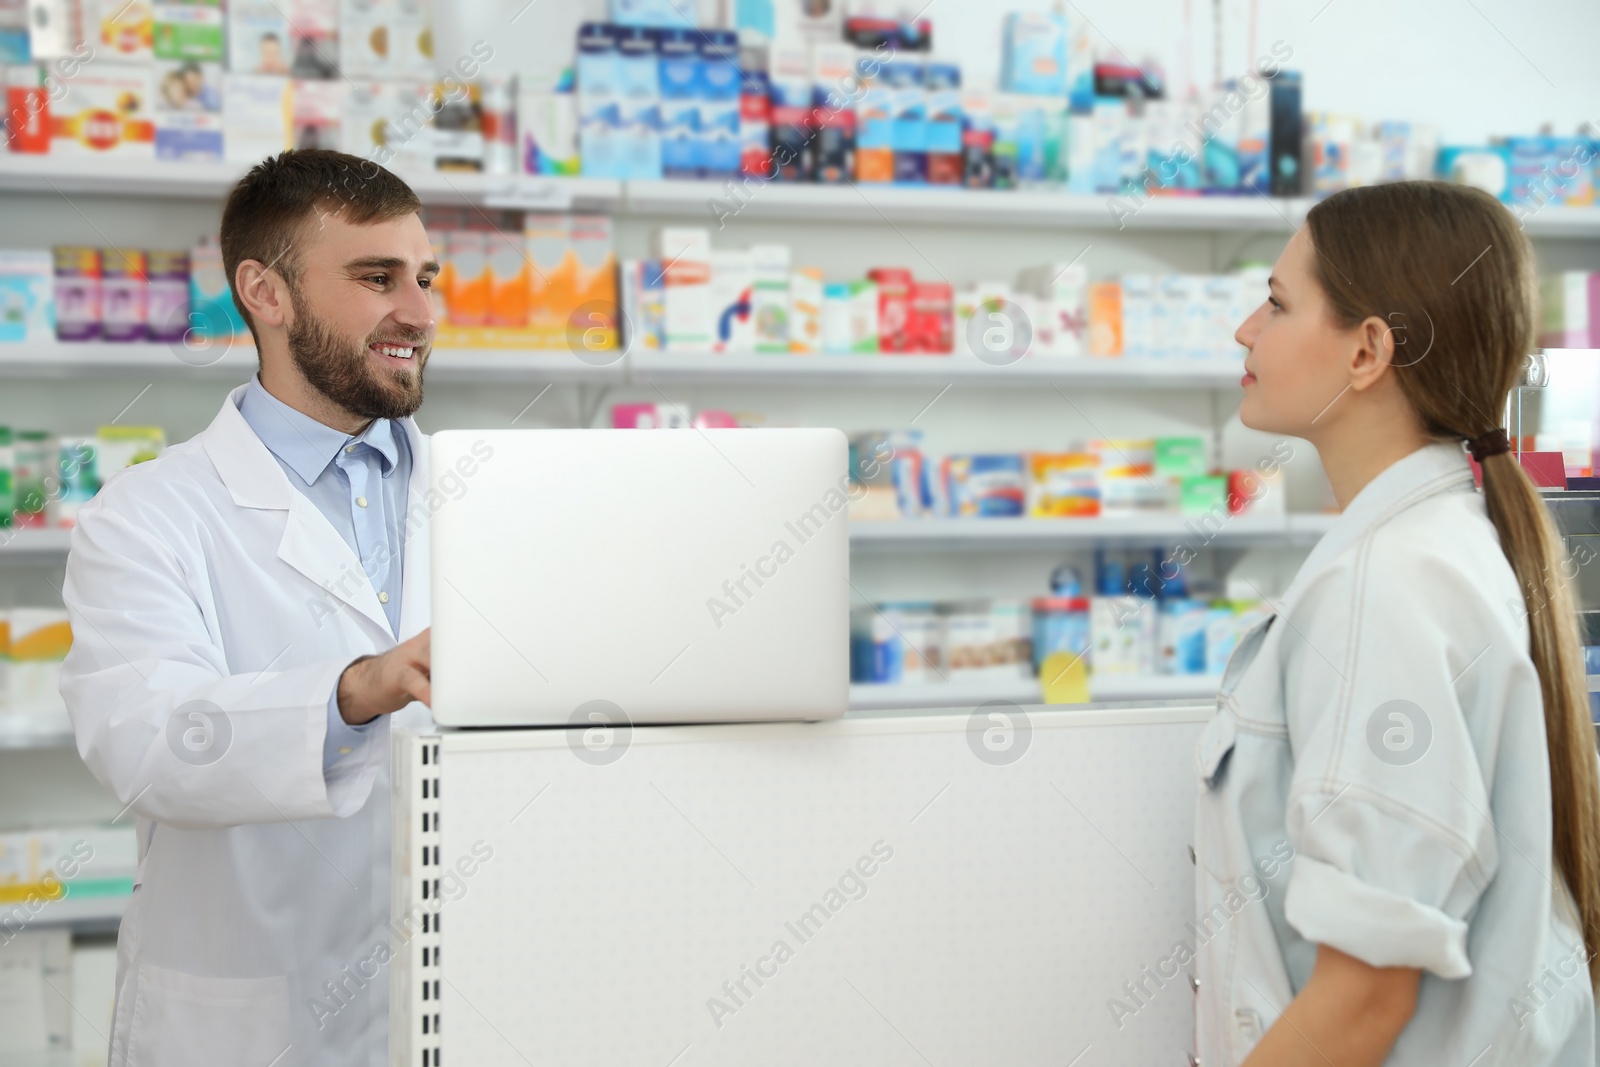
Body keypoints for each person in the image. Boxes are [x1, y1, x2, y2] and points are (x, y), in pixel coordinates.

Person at [1196, 179, 1600, 1065]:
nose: (1245, 329)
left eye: (1276, 302)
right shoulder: (1431, 540)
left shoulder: (1389, 581)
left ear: (1369, 350)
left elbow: (1366, 995)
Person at [61, 149, 438, 1066]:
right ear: (264, 292)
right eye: (376, 277)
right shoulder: (149, 515)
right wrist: (357, 689)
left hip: (453, 1004)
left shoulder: (482, 495)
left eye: (425, 278)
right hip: (249, 1016)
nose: (420, 314)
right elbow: (146, 742)